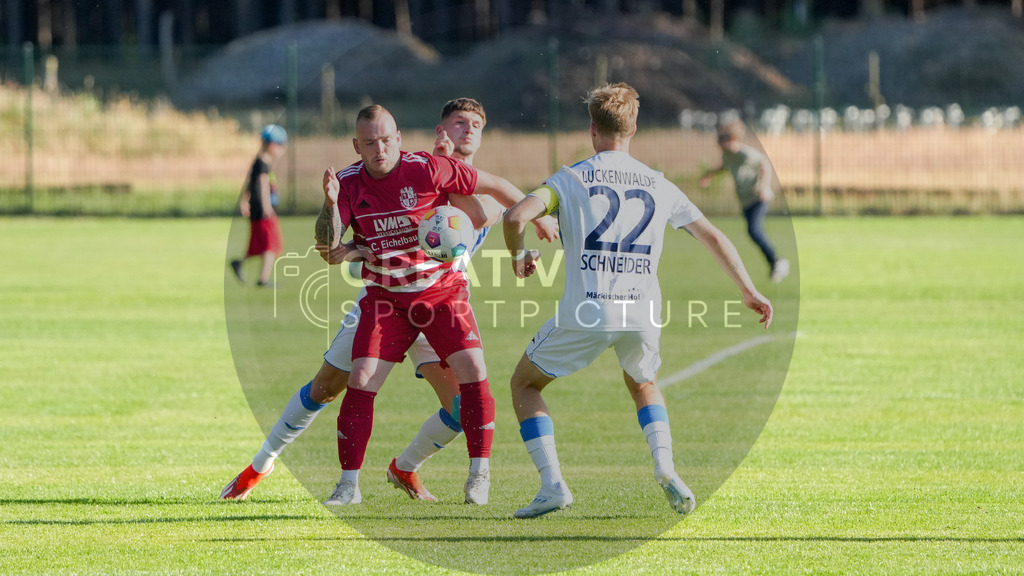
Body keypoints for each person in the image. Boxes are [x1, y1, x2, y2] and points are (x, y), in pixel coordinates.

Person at [220, 100, 557, 505]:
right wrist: (351, 246)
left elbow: (484, 213)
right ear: (439, 129)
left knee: (459, 408)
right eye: (457, 124)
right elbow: (338, 245)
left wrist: (535, 217)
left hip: (437, 299)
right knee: (328, 386)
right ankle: (263, 463)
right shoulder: (422, 167)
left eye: (475, 126)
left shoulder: (463, 185)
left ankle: (405, 467)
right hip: (385, 299)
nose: (466, 132)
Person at [502, 83, 774, 519]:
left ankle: (553, 485)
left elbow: (515, 216)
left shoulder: (570, 178)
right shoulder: (658, 184)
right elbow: (713, 236)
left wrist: (518, 257)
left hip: (589, 310)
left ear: (593, 129)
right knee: (643, 382)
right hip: (643, 311)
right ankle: (665, 465)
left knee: (524, 384)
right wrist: (749, 290)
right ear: (633, 129)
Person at [699, 119, 790, 283]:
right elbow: (725, 166)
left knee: (754, 230)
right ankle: (775, 263)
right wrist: (709, 175)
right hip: (745, 200)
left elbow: (765, 164)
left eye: (723, 144)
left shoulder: (746, 153)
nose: (721, 147)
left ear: (732, 140)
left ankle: (778, 261)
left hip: (757, 197)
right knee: (753, 232)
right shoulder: (728, 155)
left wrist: (764, 186)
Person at [230, 124, 287, 287]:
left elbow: (249, 183)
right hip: (263, 211)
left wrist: (244, 200)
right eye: (281, 146)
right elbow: (262, 185)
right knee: (270, 244)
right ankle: (263, 279)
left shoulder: (261, 162)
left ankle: (239, 263)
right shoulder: (262, 164)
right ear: (272, 145)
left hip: (258, 209)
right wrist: (267, 207)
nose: (282, 150)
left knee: (259, 245)